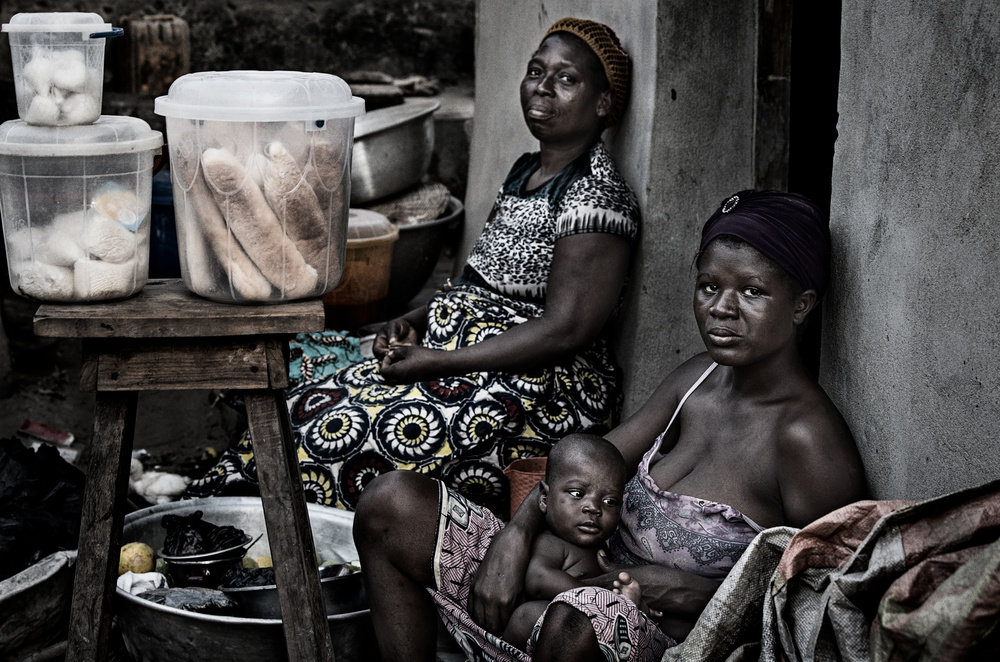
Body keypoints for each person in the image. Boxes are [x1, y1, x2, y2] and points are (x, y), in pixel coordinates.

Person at [352, 188, 868, 662]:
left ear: (802, 305)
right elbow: (588, 464)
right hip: (568, 581)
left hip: (659, 636)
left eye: (752, 292)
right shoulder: (698, 378)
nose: (721, 309)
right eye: (709, 286)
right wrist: (515, 535)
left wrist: (677, 589)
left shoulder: (805, 439)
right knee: (391, 505)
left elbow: (809, 605)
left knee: (578, 622)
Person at [184, 16, 638, 512]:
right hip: (466, 357)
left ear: (604, 103)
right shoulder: (525, 170)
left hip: (536, 393)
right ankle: (222, 520)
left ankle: (280, 539)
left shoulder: (596, 196)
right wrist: (413, 322)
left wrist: (439, 362)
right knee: (292, 396)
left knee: (338, 436)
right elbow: (473, 282)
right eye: (536, 70)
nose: (543, 87)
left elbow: (564, 330)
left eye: (567, 79)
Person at [500, 433, 639, 649]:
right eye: (577, 493)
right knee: (529, 614)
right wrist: (598, 597)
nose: (593, 508)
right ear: (544, 498)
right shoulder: (551, 542)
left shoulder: (599, 547)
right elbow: (538, 579)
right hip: (536, 639)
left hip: (582, 638)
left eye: (610, 501)